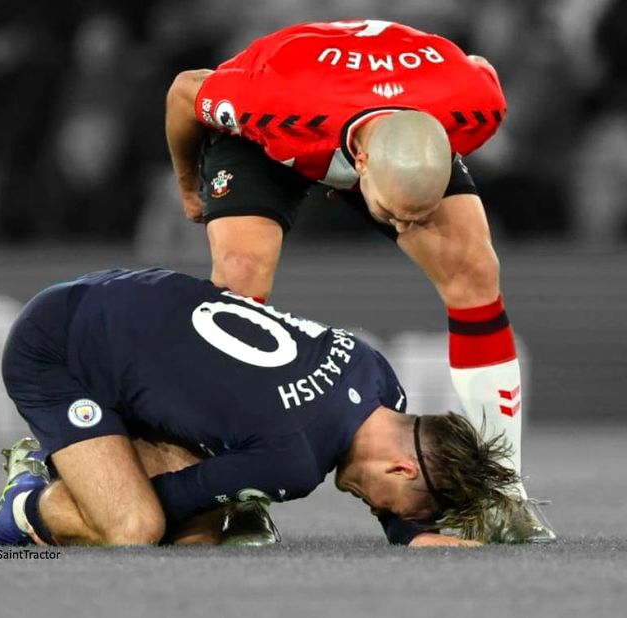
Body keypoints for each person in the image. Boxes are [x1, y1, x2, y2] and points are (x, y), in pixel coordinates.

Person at [165, 20, 552, 539]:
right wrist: (190, 186)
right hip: (279, 130)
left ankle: (504, 494)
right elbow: (184, 91)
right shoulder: (270, 104)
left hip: (382, 113)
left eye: (416, 215)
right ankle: (238, 497)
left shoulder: (475, 105)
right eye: (393, 214)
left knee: (475, 271)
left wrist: (405, 203)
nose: (402, 227)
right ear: (360, 165)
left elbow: (480, 68)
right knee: (239, 284)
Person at [0, 268, 530, 548]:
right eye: (398, 509)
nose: (377, 509)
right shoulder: (293, 461)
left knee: (199, 538)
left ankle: (83, 465)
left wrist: (409, 533)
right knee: (137, 526)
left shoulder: (377, 375)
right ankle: (26, 498)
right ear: (403, 468)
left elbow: (389, 472)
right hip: (58, 347)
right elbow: (172, 497)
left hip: (120, 295)